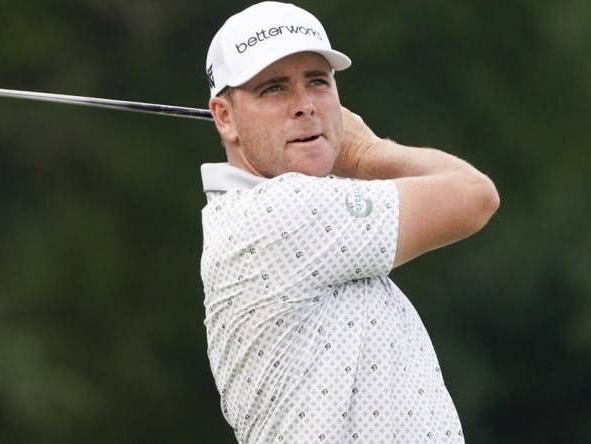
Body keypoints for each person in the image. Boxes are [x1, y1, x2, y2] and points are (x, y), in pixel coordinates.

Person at [199, 2, 499, 443]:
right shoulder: (282, 211)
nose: (304, 106)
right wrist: (365, 153)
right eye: (274, 89)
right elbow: (474, 196)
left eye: (317, 82)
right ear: (225, 117)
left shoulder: (258, 212)